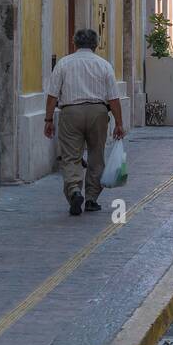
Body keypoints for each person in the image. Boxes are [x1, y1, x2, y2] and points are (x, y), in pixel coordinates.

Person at [44, 29, 125, 216]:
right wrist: (119, 123)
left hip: (70, 112)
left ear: (74, 43)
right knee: (97, 154)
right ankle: (91, 198)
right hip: (98, 112)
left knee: (71, 156)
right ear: (95, 45)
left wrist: (48, 119)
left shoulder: (64, 64)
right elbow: (113, 98)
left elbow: (52, 95)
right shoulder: (104, 65)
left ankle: (73, 191)